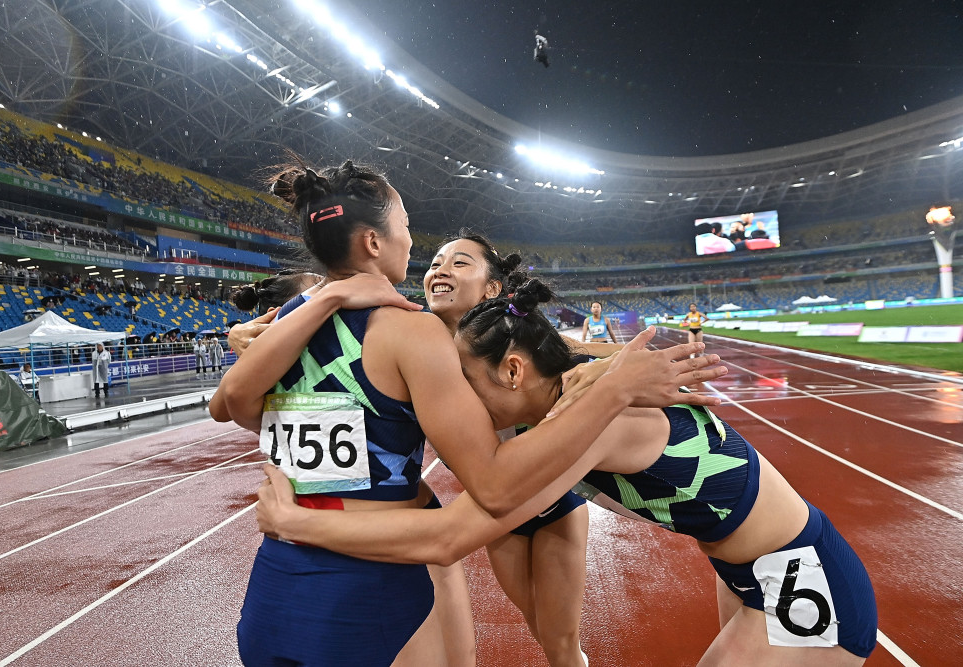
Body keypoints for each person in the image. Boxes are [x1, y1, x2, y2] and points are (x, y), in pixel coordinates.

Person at [215, 158, 725, 666]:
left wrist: (610, 369)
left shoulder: (296, 324)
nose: (424, 256)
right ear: (374, 242)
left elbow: (230, 404)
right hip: (382, 571)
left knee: (556, 636)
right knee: (531, 622)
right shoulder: (412, 330)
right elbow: (488, 493)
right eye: (412, 233)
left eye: (459, 263)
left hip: (283, 573)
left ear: (493, 288)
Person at [256, 280, 878, 666]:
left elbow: (446, 539)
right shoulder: (565, 395)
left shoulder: (587, 422)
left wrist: (296, 523)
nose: (455, 404)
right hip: (749, 578)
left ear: (513, 373)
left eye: (465, 387)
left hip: (804, 586)